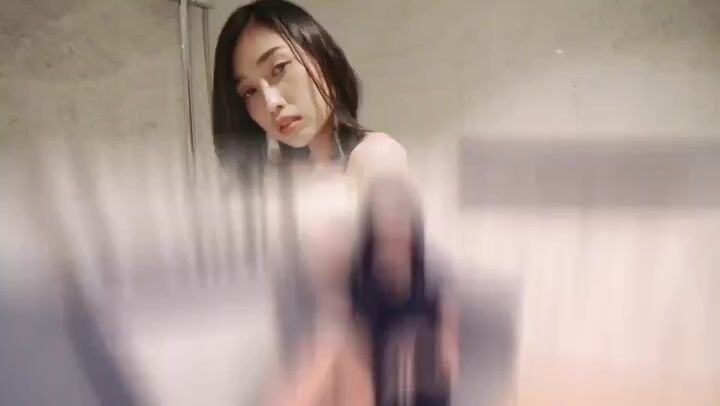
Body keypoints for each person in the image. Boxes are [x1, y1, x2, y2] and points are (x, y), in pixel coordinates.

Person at [350, 177, 460, 406]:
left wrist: (445, 345)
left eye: (400, 235)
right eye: (385, 240)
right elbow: (358, 348)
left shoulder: (433, 274)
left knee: (411, 345)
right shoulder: (361, 279)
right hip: (375, 376)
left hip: (422, 377)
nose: (393, 247)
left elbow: (448, 352)